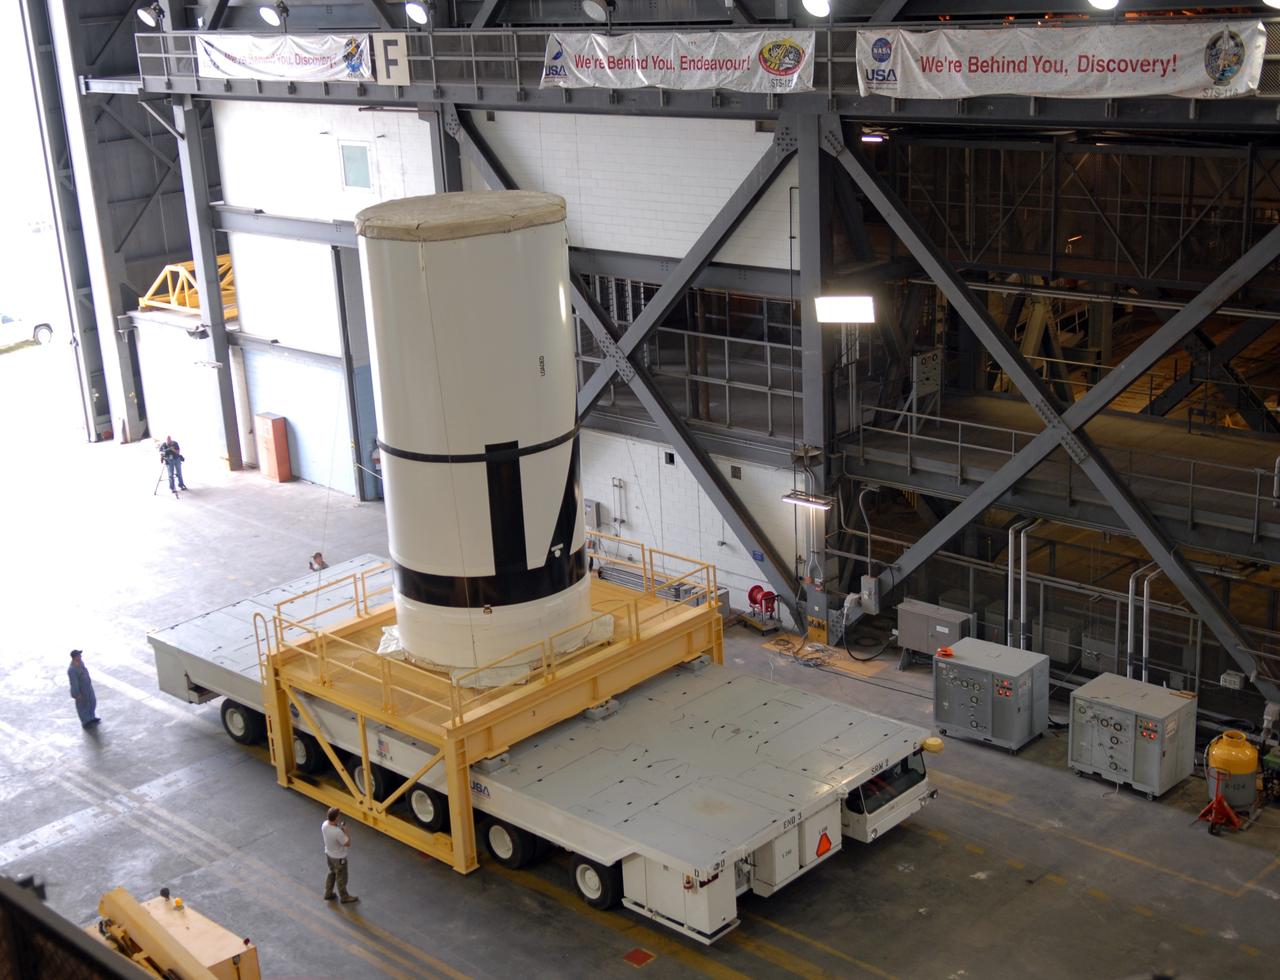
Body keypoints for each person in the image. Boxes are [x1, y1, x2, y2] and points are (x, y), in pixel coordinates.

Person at [321, 807, 358, 903]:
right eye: (338, 816)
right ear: (336, 818)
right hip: (339, 858)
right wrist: (345, 831)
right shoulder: (337, 832)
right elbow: (348, 843)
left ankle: (328, 892)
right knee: (341, 877)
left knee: (332, 873)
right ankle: (344, 897)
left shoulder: (324, 825)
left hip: (329, 855)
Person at [68, 650, 98, 728]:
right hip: (81, 690)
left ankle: (91, 717)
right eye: (79, 655)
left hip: (88, 687)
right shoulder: (72, 670)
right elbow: (74, 682)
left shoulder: (81, 663)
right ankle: (85, 721)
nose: (80, 657)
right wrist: (76, 694)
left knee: (92, 702)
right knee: (83, 705)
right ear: (75, 657)